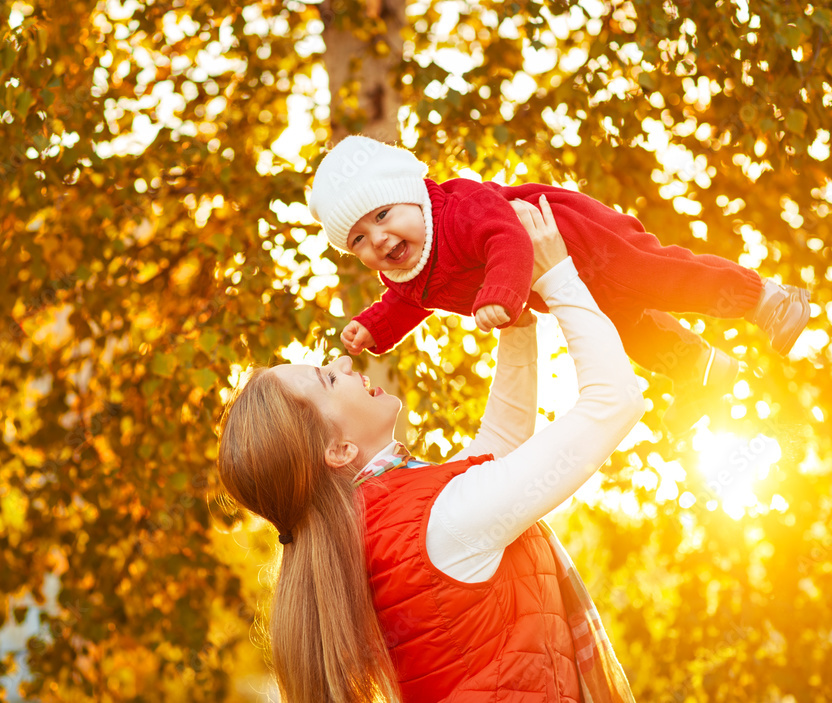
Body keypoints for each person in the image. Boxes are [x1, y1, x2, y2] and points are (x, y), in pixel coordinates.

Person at [218, 198, 642, 703]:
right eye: (329, 379)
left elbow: (495, 454)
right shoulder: (433, 524)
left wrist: (516, 312)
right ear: (339, 450)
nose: (347, 366)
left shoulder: (381, 524)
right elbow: (615, 401)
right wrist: (557, 277)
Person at [307, 135, 812, 433]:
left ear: (411, 195)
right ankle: (705, 369)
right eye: (358, 239)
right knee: (626, 334)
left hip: (580, 241)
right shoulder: (405, 271)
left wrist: (497, 296)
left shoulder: (459, 208)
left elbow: (508, 241)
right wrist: (372, 328)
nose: (380, 240)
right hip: (559, 284)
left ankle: (765, 297)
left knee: (664, 279)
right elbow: (403, 304)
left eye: (383, 215)